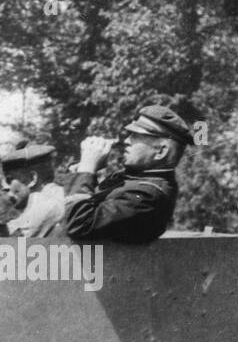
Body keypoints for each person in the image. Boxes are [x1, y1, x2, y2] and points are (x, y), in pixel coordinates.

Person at [63, 104, 193, 244]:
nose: (126, 141)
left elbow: (80, 224)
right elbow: (90, 205)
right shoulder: (133, 179)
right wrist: (83, 170)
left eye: (135, 136)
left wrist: (87, 169)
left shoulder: (147, 197)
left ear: (161, 150)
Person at [0, 142, 64, 237]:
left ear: (33, 179)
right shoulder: (59, 194)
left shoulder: (43, 200)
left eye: (10, 180)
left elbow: (11, 238)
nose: (6, 189)